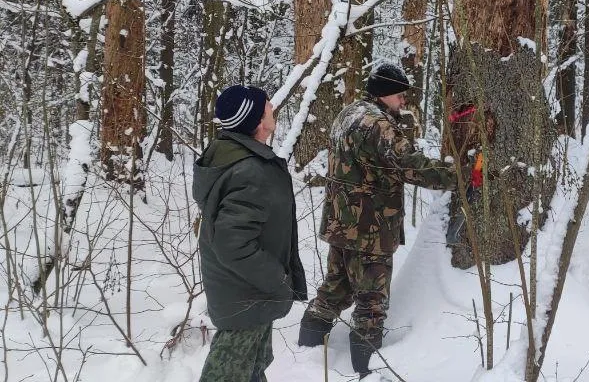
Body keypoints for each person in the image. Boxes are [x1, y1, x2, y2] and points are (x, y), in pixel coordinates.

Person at [297, 63, 457, 378]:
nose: (403, 102)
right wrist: (460, 177)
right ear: (384, 94)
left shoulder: (350, 114)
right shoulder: (379, 125)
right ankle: (366, 370)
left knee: (334, 289)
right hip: (368, 229)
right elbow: (412, 166)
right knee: (371, 304)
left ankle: (305, 355)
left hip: (342, 223)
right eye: (400, 96)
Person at [193, 85, 307, 382]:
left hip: (247, 292)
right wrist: (277, 279)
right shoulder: (250, 170)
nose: (272, 108)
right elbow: (232, 243)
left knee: (253, 369)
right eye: (267, 106)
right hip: (248, 294)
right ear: (256, 120)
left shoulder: (237, 157)